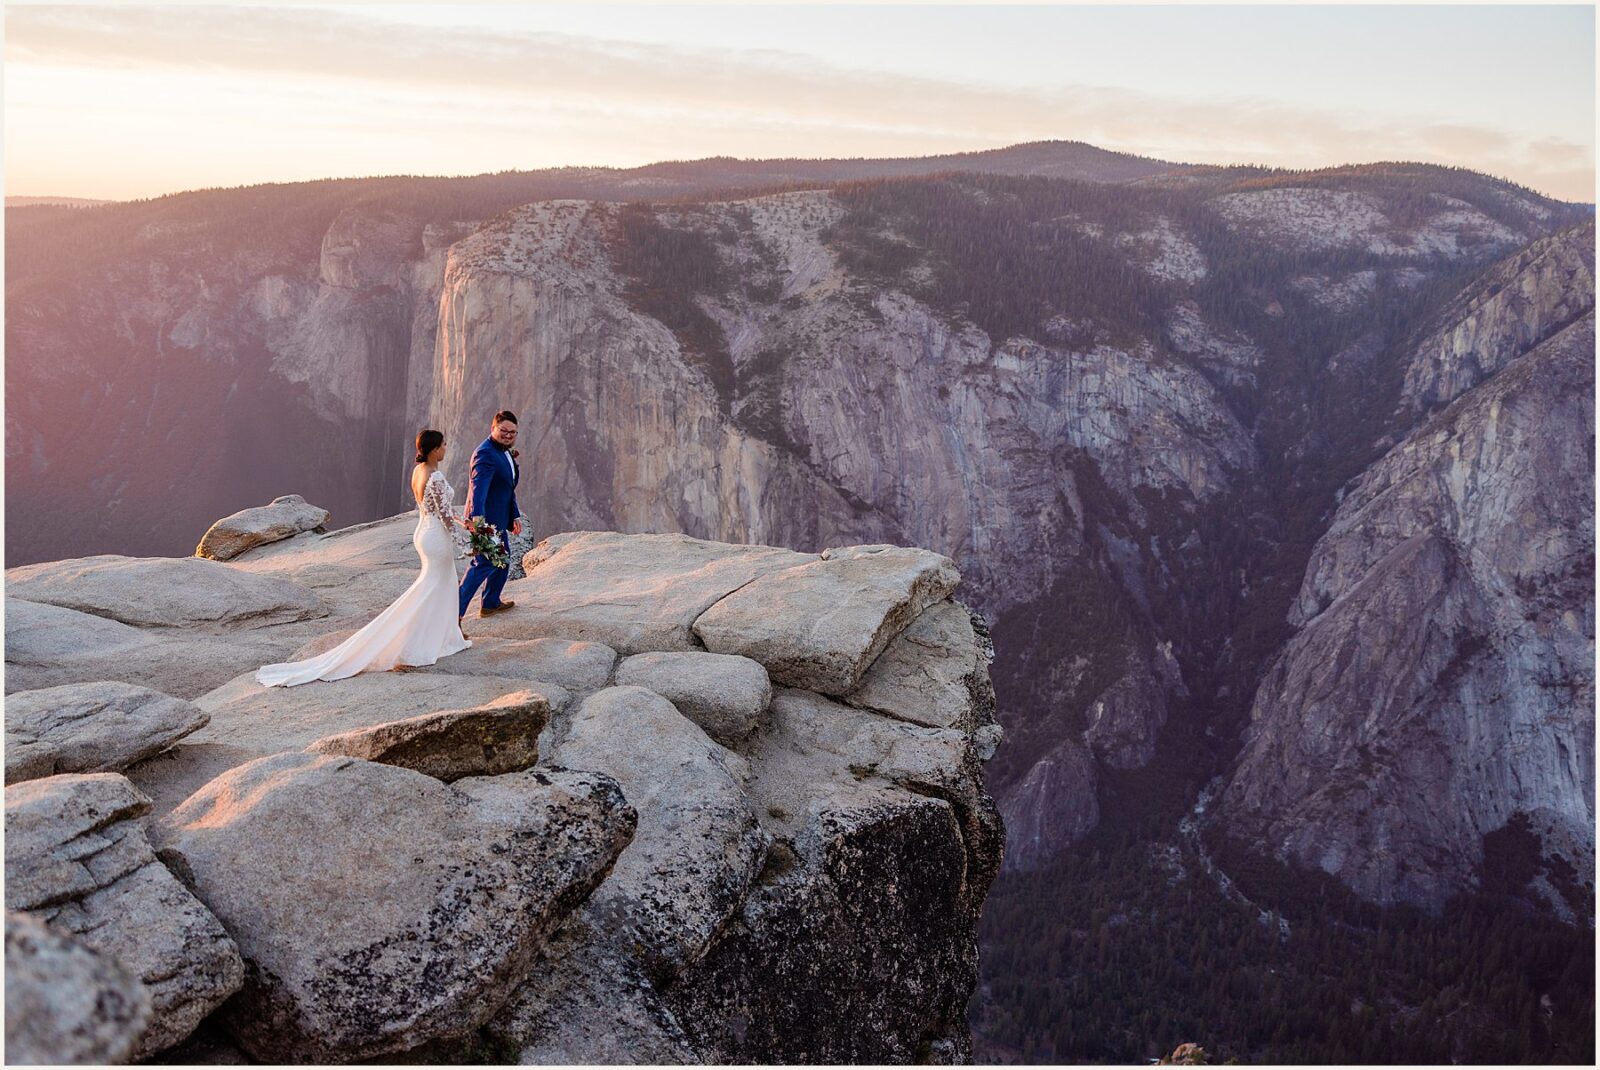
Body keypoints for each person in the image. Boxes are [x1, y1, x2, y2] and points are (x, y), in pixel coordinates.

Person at [255, 429, 472, 687]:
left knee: (436, 587)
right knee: (433, 588)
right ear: (435, 449)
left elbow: (437, 511)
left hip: (424, 532)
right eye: (444, 445)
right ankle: (420, 644)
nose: (447, 449)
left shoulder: (418, 472)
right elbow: (445, 517)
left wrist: (465, 523)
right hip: (436, 538)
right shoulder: (435, 476)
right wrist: (467, 545)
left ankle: (441, 637)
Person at [459, 409, 524, 620]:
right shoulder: (485, 453)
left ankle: (490, 602)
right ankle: (453, 616)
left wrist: (514, 516)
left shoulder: (504, 451)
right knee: (483, 564)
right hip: (485, 521)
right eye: (503, 430)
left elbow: (506, 488)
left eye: (512, 432)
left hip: (498, 518)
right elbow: (479, 487)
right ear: (493, 428)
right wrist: (477, 519)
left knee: (502, 560)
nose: (508, 435)